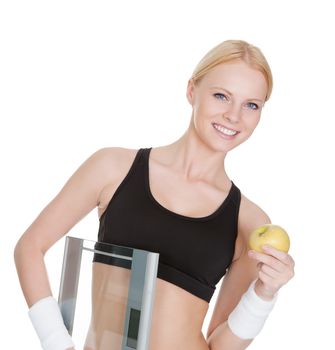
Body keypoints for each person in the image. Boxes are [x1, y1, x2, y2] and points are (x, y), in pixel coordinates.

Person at [14, 39, 295, 350]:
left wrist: (263, 295)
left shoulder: (250, 221)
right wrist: (57, 343)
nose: (234, 116)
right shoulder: (113, 168)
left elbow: (221, 345)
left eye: (251, 105)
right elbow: (30, 247)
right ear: (192, 90)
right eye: (221, 96)